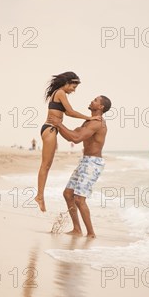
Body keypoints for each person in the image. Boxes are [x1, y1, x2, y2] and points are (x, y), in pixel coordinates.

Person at [35, 72, 102, 212]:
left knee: (47, 165)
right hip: (50, 129)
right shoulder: (60, 92)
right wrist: (89, 118)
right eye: (73, 86)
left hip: (51, 129)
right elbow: (70, 112)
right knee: (46, 165)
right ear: (67, 83)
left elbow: (65, 113)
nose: (74, 90)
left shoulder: (58, 93)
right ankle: (39, 196)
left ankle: (40, 196)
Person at [55, 95, 111, 238]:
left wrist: (59, 124)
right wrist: (58, 125)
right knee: (68, 194)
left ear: (101, 107)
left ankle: (91, 234)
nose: (91, 101)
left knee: (79, 199)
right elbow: (71, 136)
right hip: (85, 161)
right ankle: (77, 230)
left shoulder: (97, 123)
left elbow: (76, 138)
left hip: (93, 163)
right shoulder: (89, 121)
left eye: (95, 100)